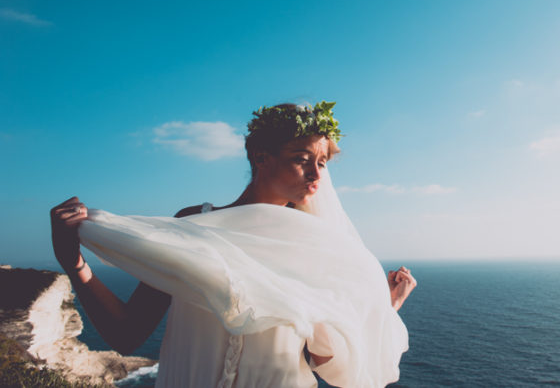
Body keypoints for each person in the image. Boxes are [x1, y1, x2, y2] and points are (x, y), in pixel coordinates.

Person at [50, 101, 416, 388]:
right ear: (261, 157)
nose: (317, 174)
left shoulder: (320, 246)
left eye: (322, 162)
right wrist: (75, 263)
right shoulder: (195, 223)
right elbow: (127, 333)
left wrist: (381, 309)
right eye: (302, 160)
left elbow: (327, 360)